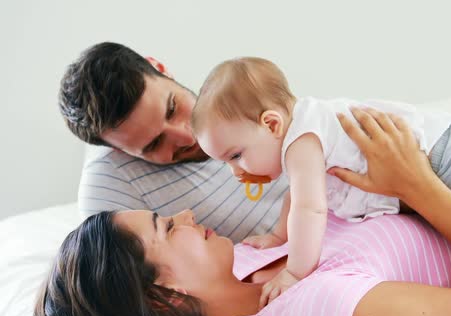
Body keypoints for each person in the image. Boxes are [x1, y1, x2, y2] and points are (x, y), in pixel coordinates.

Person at [34, 109, 451, 316]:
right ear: (163, 295)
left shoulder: (249, 263)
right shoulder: (316, 313)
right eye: (165, 228)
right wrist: (418, 184)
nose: (184, 214)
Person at [190, 57, 451, 304]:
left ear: (271, 123)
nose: (235, 170)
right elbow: (296, 199)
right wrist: (279, 237)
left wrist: (295, 270)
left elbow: (310, 208)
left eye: (235, 155)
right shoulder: (306, 132)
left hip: (449, 160)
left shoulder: (301, 143)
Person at [59, 42, 289, 243]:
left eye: (172, 109)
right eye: (154, 144)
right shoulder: (109, 190)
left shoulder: (233, 90)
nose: (188, 136)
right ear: (119, 150)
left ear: (160, 68)